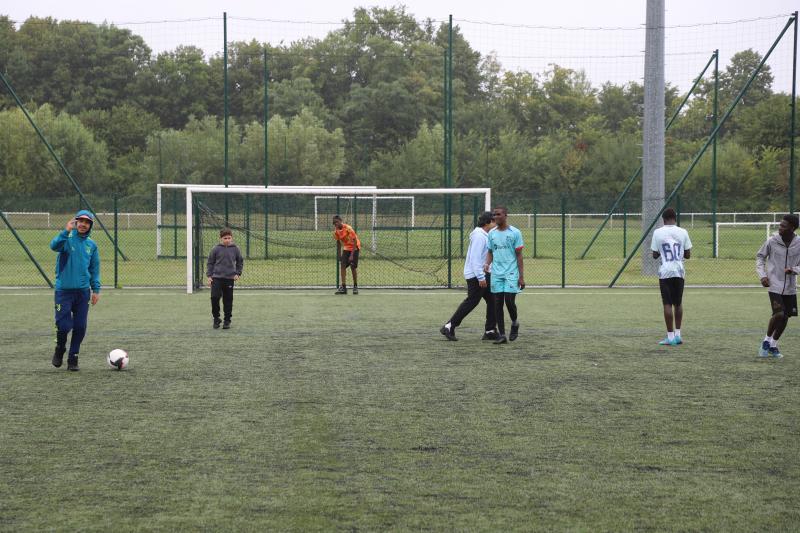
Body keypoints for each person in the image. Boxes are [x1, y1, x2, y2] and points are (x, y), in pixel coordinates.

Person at [49, 210, 101, 371]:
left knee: (80, 327)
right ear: (76, 222)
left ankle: (73, 358)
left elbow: (94, 269)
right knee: (64, 326)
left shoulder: (91, 245)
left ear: (90, 226)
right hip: (63, 292)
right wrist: (66, 231)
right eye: (81, 221)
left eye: (87, 222)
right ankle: (60, 348)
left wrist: (96, 290)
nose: (83, 225)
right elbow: (53, 246)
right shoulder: (67, 239)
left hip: (82, 293)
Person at [440, 211, 498, 341]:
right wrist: (481, 277)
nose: (496, 224)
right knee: (472, 301)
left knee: (493, 300)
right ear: (488, 222)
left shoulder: (484, 235)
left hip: (483, 274)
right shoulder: (479, 236)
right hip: (476, 275)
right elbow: (475, 259)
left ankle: (490, 330)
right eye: (494, 221)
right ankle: (449, 326)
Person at [756, 214, 800, 359]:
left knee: (786, 317)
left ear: (792, 228)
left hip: (790, 286)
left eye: (783, 226)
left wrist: (794, 270)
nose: (779, 228)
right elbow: (760, 257)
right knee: (779, 313)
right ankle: (766, 342)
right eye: (780, 225)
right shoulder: (772, 241)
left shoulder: (799, 243)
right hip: (774, 283)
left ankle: (773, 345)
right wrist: (762, 275)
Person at [650, 207, 693, 346]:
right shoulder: (683, 232)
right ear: (675, 219)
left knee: (667, 304)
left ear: (663, 219)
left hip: (665, 272)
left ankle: (670, 337)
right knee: (678, 303)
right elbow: (688, 254)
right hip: (679, 271)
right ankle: (678, 335)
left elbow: (655, 254)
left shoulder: (657, 232)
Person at [485, 206, 525, 344]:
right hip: (496, 273)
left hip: (511, 272)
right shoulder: (491, 233)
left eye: (498, 214)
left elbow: (519, 255)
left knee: (509, 301)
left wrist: (521, 276)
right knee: (497, 304)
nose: (495, 216)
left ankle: (514, 323)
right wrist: (487, 264)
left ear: (505, 215)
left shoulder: (515, 232)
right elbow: (490, 251)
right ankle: (502, 335)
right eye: (494, 215)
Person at [206, 227, 244, 329]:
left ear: (232, 238)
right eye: (225, 238)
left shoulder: (236, 249)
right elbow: (210, 263)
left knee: (228, 300)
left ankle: (227, 320)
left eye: (229, 238)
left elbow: (240, 262)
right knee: (214, 298)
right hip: (216, 278)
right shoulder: (215, 249)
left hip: (229, 279)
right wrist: (209, 276)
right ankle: (216, 318)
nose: (227, 240)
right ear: (220, 239)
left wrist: (237, 273)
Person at [333, 215, 361, 295]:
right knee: (342, 265)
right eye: (334, 223)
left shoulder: (348, 229)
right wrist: (339, 255)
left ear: (341, 221)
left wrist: (352, 255)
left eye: (336, 222)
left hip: (355, 248)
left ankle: (355, 286)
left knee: (353, 266)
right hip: (346, 248)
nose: (335, 224)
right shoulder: (336, 232)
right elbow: (338, 243)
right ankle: (343, 287)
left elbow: (355, 241)